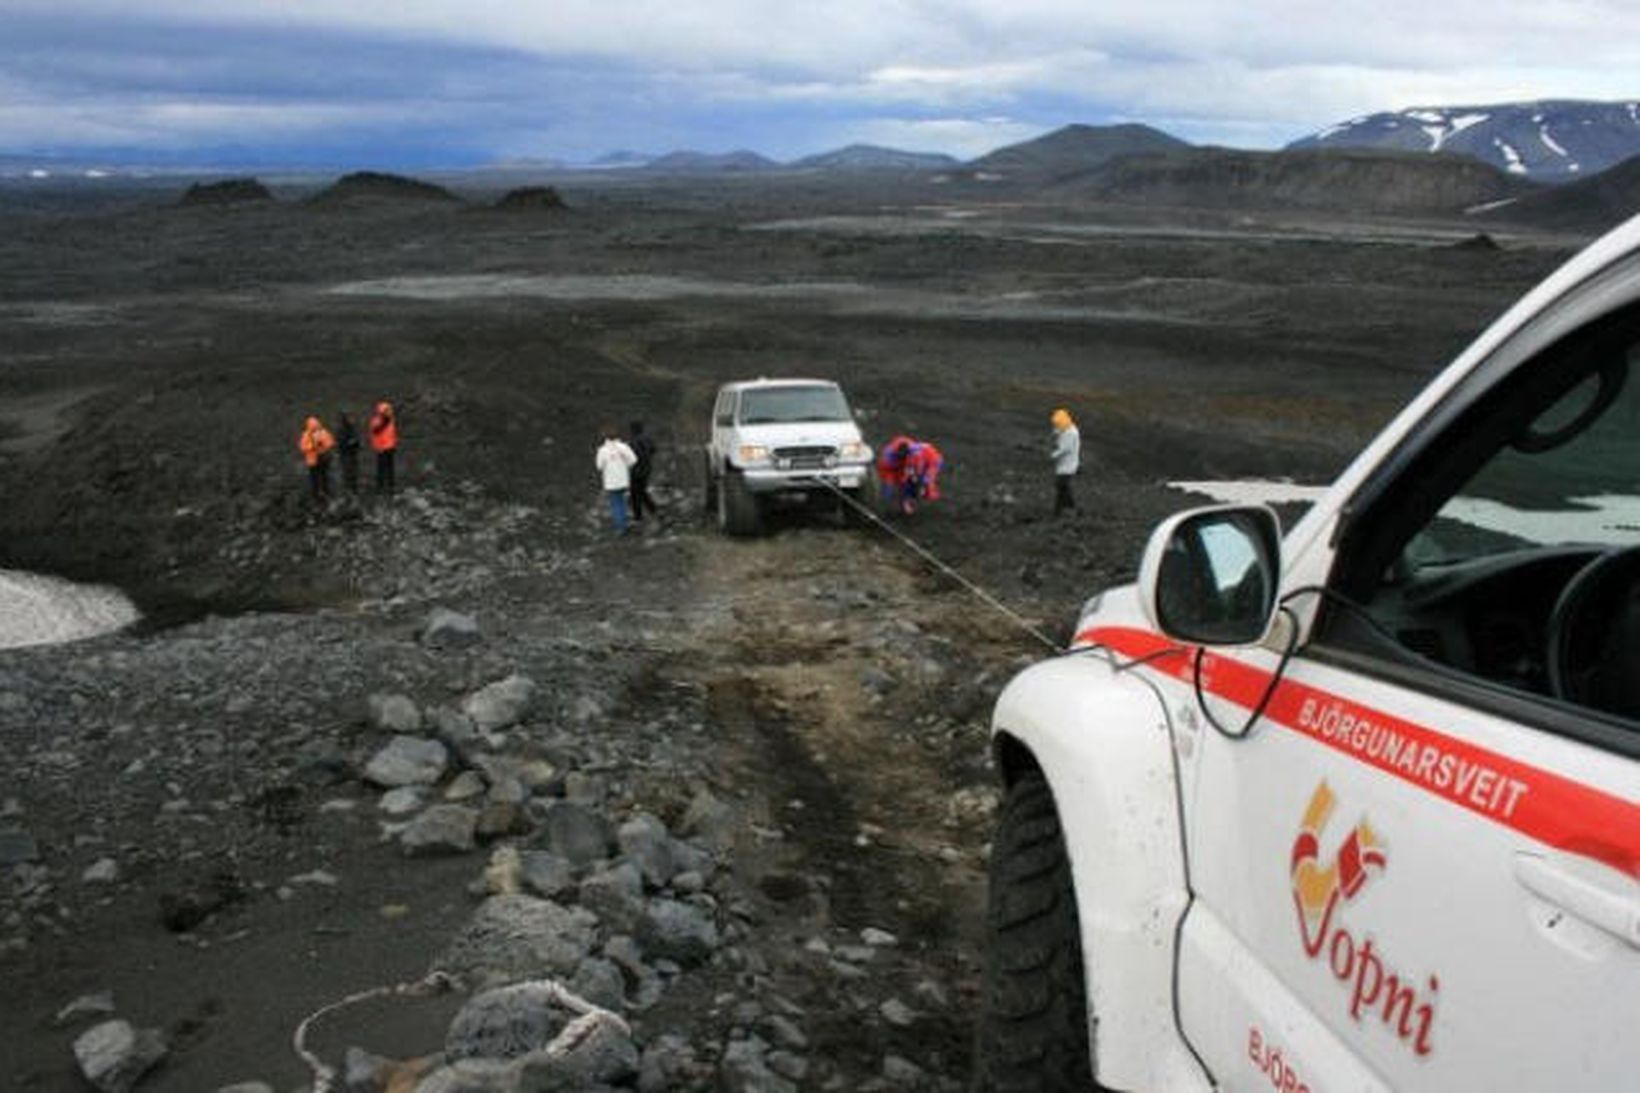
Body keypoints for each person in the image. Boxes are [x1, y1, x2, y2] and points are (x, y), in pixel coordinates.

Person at [877, 435, 945, 515]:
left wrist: (916, 479)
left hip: (932, 461)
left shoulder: (915, 454)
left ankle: (916, 497)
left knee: (925, 482)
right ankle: (907, 500)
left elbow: (918, 470)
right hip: (908, 464)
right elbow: (887, 469)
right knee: (904, 483)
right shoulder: (890, 454)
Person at [596, 425, 638, 534]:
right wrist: (624, 465)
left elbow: (599, 466)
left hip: (610, 481)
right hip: (623, 479)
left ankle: (620, 527)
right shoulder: (623, 447)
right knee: (622, 502)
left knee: (615, 503)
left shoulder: (602, 450)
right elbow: (633, 460)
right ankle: (623, 523)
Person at [298, 415, 336, 502]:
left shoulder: (323, 432)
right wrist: (313, 447)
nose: (315, 427)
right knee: (315, 478)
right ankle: (316, 493)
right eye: (313, 426)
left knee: (324, 476)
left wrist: (323, 444)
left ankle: (325, 492)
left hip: (323, 458)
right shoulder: (306, 435)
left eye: (315, 425)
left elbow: (331, 442)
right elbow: (302, 447)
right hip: (313, 460)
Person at [1050, 406, 1081, 516]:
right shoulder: (1067, 429)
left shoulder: (1071, 433)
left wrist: (1053, 455)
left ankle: (1069, 507)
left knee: (1062, 485)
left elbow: (1065, 448)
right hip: (1065, 464)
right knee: (1061, 486)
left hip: (1068, 464)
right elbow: (1058, 432)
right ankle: (1060, 509)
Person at [627, 420, 658, 523]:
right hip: (647, 468)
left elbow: (630, 456)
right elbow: (654, 449)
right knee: (641, 491)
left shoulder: (632, 441)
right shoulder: (648, 439)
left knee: (635, 493)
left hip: (636, 470)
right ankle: (653, 510)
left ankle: (638, 516)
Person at [369, 400, 398, 495]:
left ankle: (390, 485)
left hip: (390, 447)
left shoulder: (390, 420)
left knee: (390, 468)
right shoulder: (377, 420)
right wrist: (384, 422)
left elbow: (392, 434)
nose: (389, 412)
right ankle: (380, 487)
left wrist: (394, 444)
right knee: (381, 469)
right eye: (387, 410)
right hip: (381, 449)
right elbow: (376, 431)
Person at [336, 410, 361, 493]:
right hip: (346, 454)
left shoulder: (352, 429)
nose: (352, 420)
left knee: (354, 472)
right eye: (350, 418)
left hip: (352, 453)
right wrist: (350, 443)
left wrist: (356, 443)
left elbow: (357, 439)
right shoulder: (342, 430)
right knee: (348, 472)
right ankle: (349, 489)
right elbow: (340, 443)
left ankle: (354, 488)